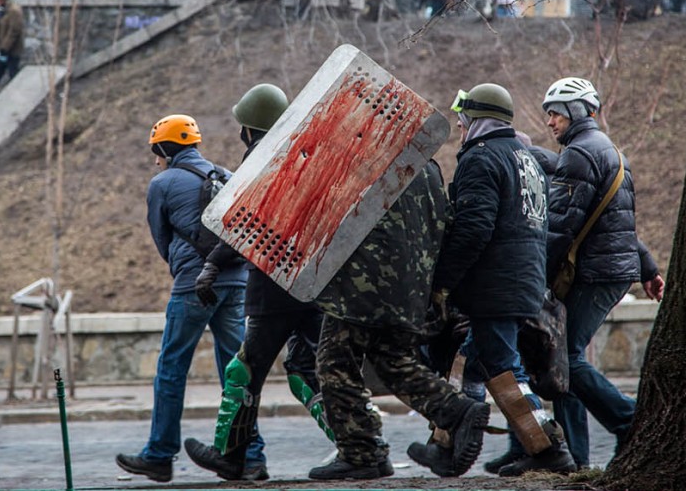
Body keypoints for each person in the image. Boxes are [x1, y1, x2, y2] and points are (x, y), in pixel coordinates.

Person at [499, 76, 665, 474]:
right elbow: (617, 224)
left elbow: (558, 229)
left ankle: (630, 421)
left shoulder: (580, 154)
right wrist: (650, 268)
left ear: (575, 112)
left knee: (567, 361)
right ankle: (575, 457)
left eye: (555, 113)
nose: (550, 122)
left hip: (596, 274)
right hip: (611, 271)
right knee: (559, 362)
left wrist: (532, 279)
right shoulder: (607, 151)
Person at [409, 84, 575, 477]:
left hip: (495, 286)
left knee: (503, 365)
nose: (460, 130)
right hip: (523, 280)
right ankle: (446, 444)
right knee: (468, 363)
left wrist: (443, 281)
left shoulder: (481, 159)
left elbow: (473, 229)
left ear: (476, 120)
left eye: (464, 121)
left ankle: (548, 447)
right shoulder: (525, 157)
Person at [309, 159, 491, 481]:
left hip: (363, 285)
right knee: (392, 361)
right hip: (410, 287)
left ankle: (360, 453)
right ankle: (456, 410)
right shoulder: (429, 165)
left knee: (334, 365)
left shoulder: (365, 161)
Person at [184, 84, 330, 482]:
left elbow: (246, 227)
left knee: (243, 370)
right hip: (311, 284)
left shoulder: (260, 161)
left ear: (250, 129)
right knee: (307, 369)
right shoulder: (301, 155)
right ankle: (360, 445)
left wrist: (211, 265)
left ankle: (229, 455)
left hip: (272, 288)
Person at [115, 115, 252, 483]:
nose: (154, 159)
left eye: (154, 151)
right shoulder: (223, 173)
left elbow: (162, 239)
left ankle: (160, 455)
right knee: (237, 374)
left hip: (193, 285)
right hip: (237, 283)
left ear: (163, 148)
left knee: (172, 368)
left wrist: (183, 269)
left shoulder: (162, 183)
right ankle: (250, 457)